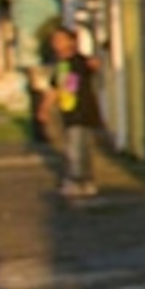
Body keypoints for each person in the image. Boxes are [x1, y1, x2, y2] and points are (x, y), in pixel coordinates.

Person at [44, 21, 104, 197]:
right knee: (75, 147)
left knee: (78, 149)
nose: (57, 44)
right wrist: (45, 107)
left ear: (71, 42)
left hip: (81, 111)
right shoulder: (61, 64)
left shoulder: (78, 61)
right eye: (55, 41)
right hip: (68, 111)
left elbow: (88, 70)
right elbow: (56, 87)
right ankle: (83, 180)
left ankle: (79, 181)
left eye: (61, 40)